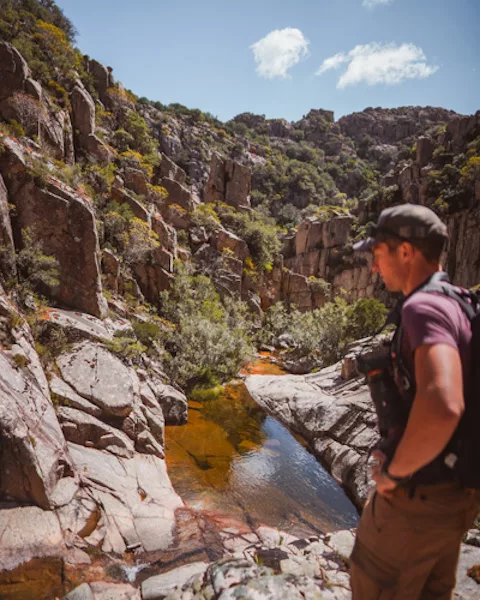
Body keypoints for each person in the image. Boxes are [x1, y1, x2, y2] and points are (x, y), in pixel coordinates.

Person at [349, 203, 479, 599]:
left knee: (375, 582)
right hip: (457, 495)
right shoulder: (462, 303)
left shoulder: (423, 308)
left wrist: (395, 473)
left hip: (418, 495)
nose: (374, 267)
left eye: (378, 254)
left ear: (406, 251)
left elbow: (443, 404)